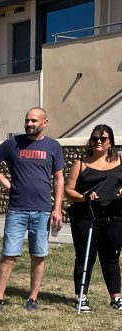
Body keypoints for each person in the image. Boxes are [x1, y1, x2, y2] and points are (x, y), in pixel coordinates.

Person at [0, 107, 65, 313]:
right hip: (17, 209)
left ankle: (33, 299)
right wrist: (4, 181)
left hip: (42, 210)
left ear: (44, 123)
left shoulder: (53, 146)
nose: (29, 124)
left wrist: (57, 208)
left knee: (38, 255)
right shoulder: (13, 144)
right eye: (27, 120)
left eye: (34, 121)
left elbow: (59, 178)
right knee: (9, 255)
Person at [64, 124, 122, 312]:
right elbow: (68, 190)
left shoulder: (120, 161)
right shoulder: (81, 164)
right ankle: (82, 297)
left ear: (110, 142)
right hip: (86, 216)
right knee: (85, 257)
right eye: (95, 138)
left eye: (103, 138)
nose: (98, 141)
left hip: (114, 216)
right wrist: (84, 197)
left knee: (111, 257)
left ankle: (116, 298)